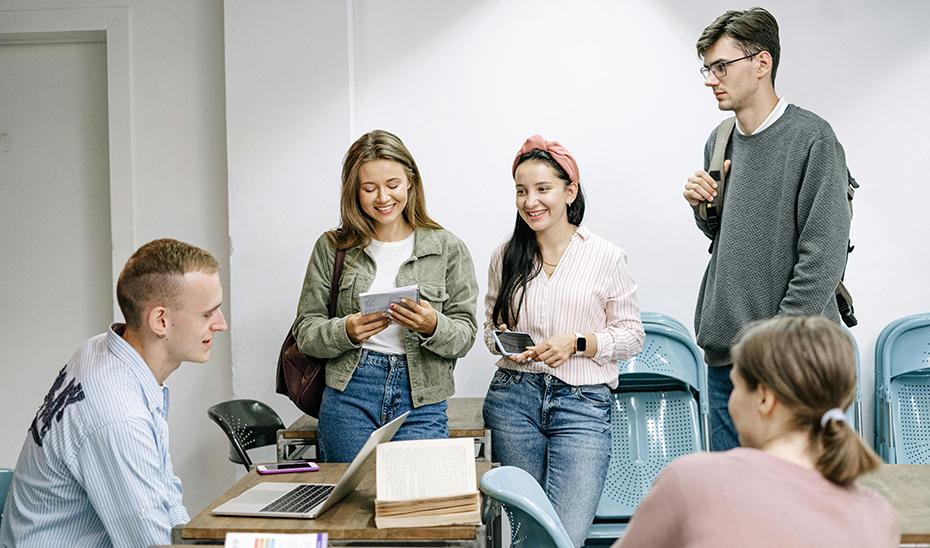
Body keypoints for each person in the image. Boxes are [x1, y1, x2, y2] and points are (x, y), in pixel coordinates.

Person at [682, 7, 853, 451]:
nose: (710, 79)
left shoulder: (813, 139)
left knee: (796, 505)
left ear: (762, 63)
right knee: (732, 505)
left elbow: (823, 259)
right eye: (707, 67)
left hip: (790, 365)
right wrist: (705, 209)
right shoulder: (718, 140)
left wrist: (772, 350)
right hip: (726, 362)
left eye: (721, 66)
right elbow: (730, 238)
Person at [0, 239, 228, 547]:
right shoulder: (117, 416)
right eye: (207, 314)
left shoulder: (102, 350)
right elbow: (152, 543)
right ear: (161, 320)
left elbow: (164, 493)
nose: (221, 324)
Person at [483, 134, 644, 547]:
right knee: (525, 532)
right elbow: (488, 328)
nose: (530, 201)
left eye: (542, 189)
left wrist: (577, 343)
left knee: (564, 536)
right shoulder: (506, 256)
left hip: (584, 403)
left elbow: (631, 336)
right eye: (521, 191)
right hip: (513, 400)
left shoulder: (607, 256)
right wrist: (502, 340)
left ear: (569, 191)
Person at [616, 316, 899, 547]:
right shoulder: (878, 516)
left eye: (736, 387)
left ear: (764, 398)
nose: (731, 401)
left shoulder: (692, 481)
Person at [293, 129, 478, 463]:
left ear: (410, 181)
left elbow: (465, 336)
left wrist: (433, 324)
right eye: (369, 188)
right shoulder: (332, 248)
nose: (382, 198)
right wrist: (346, 330)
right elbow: (305, 332)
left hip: (421, 397)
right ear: (354, 191)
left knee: (415, 505)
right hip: (350, 392)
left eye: (392, 185)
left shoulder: (447, 248)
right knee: (347, 507)